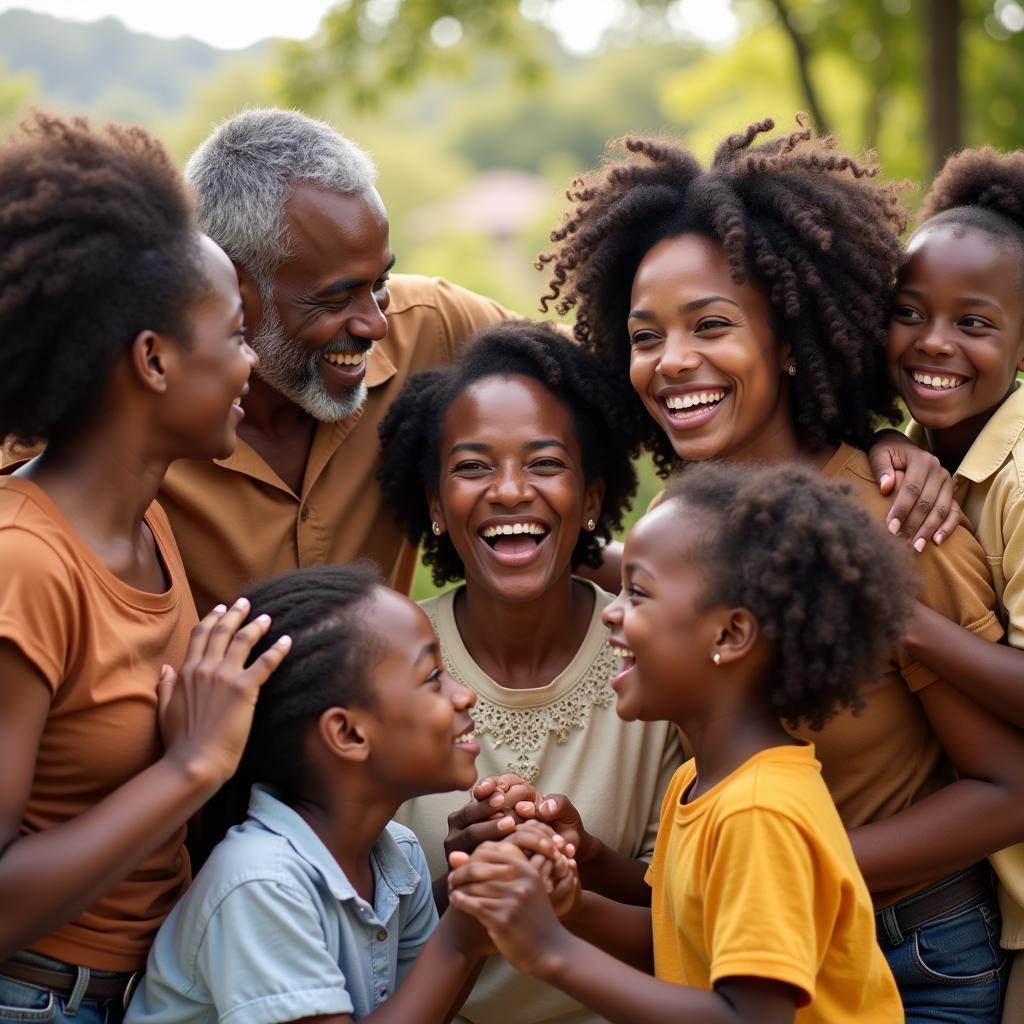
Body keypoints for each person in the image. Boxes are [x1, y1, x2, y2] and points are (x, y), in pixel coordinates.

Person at [528, 116, 1024, 1021]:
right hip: (741, 938)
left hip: (908, 958)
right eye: (646, 336)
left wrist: (793, 864)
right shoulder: (684, 521)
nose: (674, 362)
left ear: (790, 339)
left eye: (711, 325)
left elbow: (1007, 791)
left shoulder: (892, 521)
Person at [0, 115, 290, 1024]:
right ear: (154, 361)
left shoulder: (148, 521)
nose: (253, 362)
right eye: (236, 334)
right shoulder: (25, 564)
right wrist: (193, 766)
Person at [448, 462, 905, 1023]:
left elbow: (750, 1017)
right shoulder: (700, 782)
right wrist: (570, 903)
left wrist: (549, 950)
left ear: (730, 635)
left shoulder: (759, 812)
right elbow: (676, 944)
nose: (611, 612)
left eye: (637, 593)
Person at [378, 320, 683, 1024]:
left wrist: (587, 859)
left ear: (594, 500)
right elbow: (345, 920)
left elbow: (686, 918)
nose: (510, 491)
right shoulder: (383, 658)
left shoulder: (659, 656)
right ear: (432, 503)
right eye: (474, 466)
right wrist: (449, 883)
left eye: (545, 463)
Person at [126, 564, 574, 1024]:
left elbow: (426, 1009)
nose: (465, 697)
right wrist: (460, 939)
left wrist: (486, 901)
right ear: (347, 733)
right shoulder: (260, 882)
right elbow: (447, 959)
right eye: (431, 678)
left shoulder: (397, 855)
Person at [883, 147, 1024, 1024]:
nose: (934, 342)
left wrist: (908, 627)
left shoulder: (1018, 476)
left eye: (974, 324)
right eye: (908, 313)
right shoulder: (909, 448)